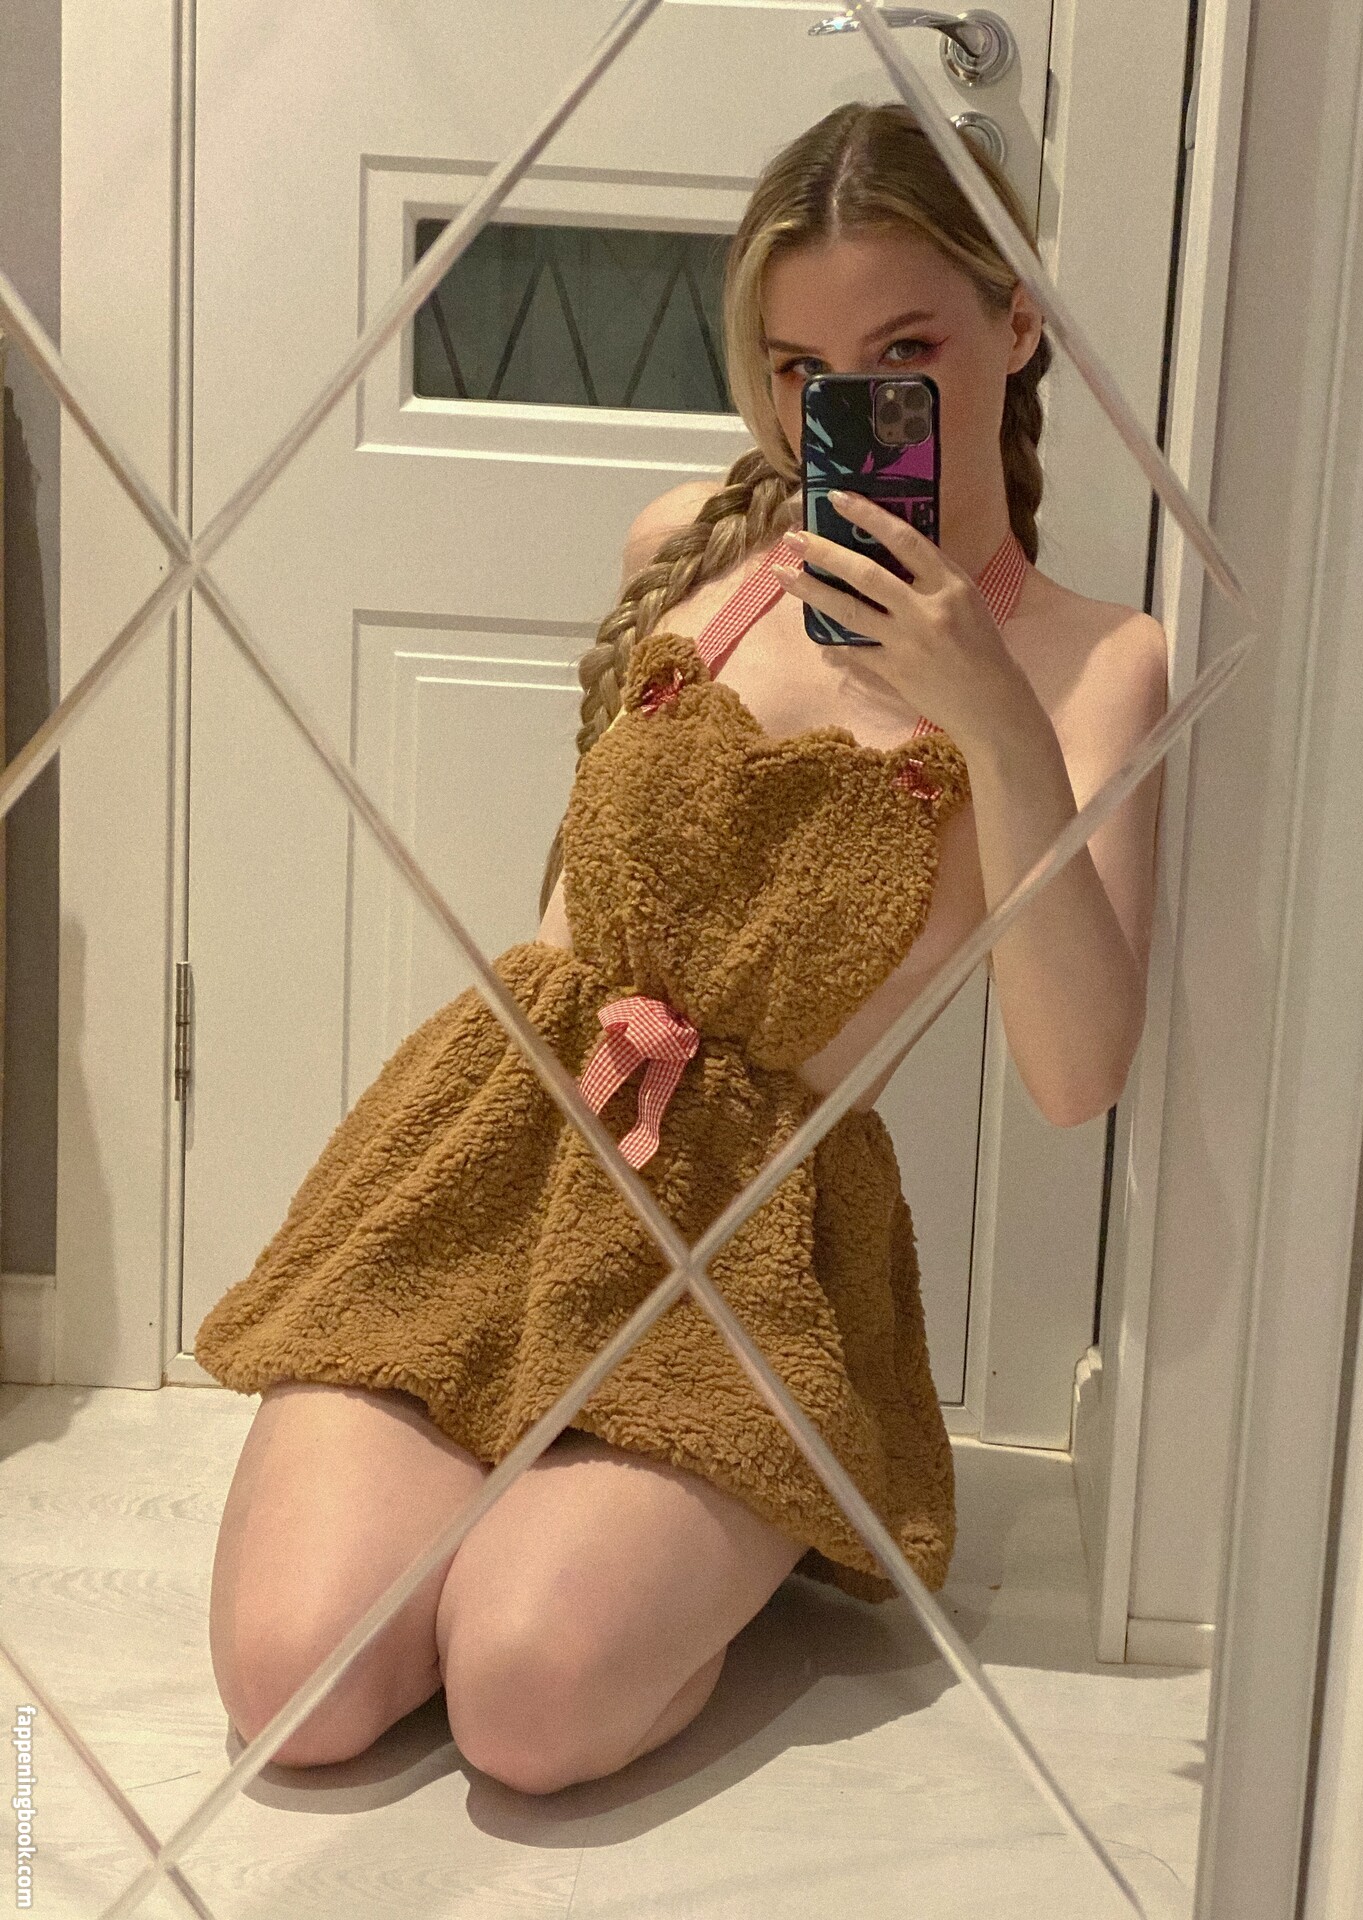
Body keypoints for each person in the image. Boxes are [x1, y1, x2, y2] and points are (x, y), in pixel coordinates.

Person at [194, 102, 1167, 1798]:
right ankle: (535, 1491)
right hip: (501, 1148)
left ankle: (715, 1526)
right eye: (799, 367)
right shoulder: (692, 554)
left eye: (907, 349)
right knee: (298, 1686)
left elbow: (1076, 1078)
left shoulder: (1098, 666)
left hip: (746, 1232)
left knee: (529, 1705)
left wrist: (995, 724)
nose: (845, 407)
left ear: (1019, 323)